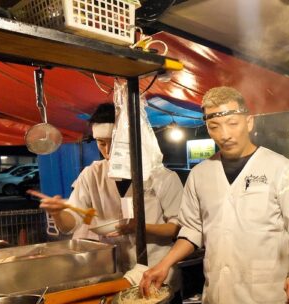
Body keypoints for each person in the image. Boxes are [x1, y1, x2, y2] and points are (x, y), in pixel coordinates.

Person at [139, 87, 289, 304]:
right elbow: (191, 231)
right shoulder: (200, 174)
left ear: (249, 122)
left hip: (267, 301)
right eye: (214, 127)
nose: (224, 134)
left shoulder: (280, 168)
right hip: (218, 302)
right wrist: (164, 264)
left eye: (232, 123)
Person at [39, 103, 184, 277]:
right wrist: (58, 213)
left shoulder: (162, 176)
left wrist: (139, 227)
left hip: (157, 270)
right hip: (111, 271)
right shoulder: (92, 174)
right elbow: (71, 224)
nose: (107, 151)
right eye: (101, 143)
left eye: (114, 143)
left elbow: (177, 227)